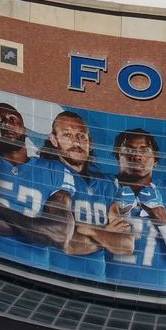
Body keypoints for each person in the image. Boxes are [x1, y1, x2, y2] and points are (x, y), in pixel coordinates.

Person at [106, 128, 166, 289]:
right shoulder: (99, 186)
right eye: (129, 149)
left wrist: (161, 214)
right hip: (104, 291)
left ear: (155, 159)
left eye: (144, 150)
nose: (137, 156)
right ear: (118, 156)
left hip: (156, 295)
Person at [0, 102, 74, 267]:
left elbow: (59, 234)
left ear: (24, 128)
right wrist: (35, 228)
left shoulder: (54, 170)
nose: (7, 124)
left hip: (35, 270)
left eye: (12, 119)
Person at [41, 110, 125, 279]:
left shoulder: (107, 184)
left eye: (81, 136)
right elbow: (68, 244)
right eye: (67, 135)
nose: (75, 142)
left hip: (96, 282)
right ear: (54, 139)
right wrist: (106, 234)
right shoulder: (47, 175)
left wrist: (93, 235)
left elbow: (124, 244)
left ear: (90, 142)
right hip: (56, 281)